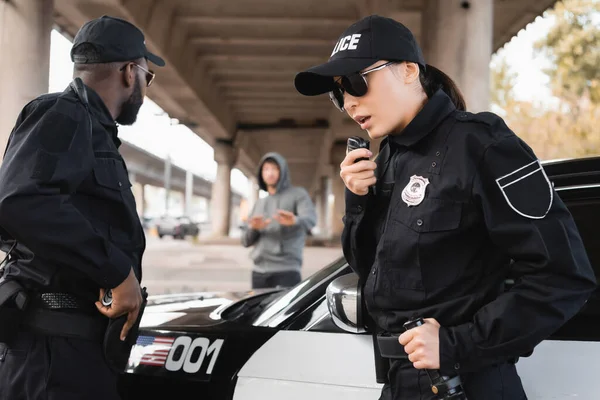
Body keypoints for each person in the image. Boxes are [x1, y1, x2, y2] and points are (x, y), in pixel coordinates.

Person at [294, 14, 597, 400]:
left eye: (356, 82)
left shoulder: (483, 145)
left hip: (464, 384)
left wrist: (459, 344)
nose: (350, 102)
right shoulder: (386, 158)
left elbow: (565, 277)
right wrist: (358, 202)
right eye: (339, 94)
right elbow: (374, 275)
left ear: (407, 71)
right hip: (400, 382)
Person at [0, 15, 165, 400]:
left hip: (76, 348)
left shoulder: (95, 132)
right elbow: (20, 201)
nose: (145, 87)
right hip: (53, 352)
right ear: (129, 71)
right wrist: (116, 271)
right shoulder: (64, 114)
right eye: (147, 76)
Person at [242, 152, 317, 289]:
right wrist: (254, 228)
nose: (270, 173)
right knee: (259, 310)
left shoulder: (298, 194)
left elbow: (310, 219)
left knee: (288, 311)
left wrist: (295, 221)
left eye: (274, 168)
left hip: (287, 270)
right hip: (258, 271)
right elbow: (245, 241)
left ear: (282, 170)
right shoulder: (259, 203)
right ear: (261, 174)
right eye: (266, 169)